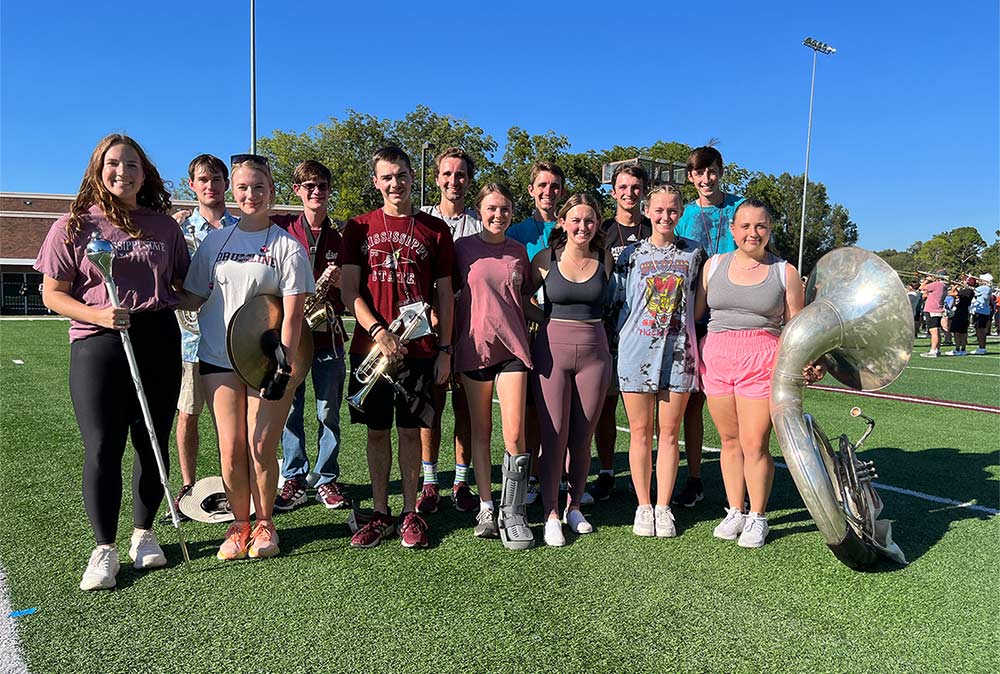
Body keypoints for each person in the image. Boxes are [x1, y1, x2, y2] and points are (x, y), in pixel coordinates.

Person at [35, 134, 190, 590]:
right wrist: (99, 314)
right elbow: (53, 294)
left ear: (146, 173)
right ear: (97, 169)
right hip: (98, 342)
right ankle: (103, 547)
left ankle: (144, 534)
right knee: (103, 445)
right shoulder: (74, 226)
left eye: (132, 165)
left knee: (152, 440)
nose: (122, 172)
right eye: (113, 164)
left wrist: (206, 294)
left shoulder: (164, 227)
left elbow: (181, 281)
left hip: (157, 335)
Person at [183, 156, 314, 561]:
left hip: (265, 364)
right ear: (232, 192)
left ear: (271, 192)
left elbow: (292, 314)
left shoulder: (287, 247)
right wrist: (146, 298)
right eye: (242, 188)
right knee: (232, 449)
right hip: (218, 359)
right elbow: (192, 295)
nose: (250, 195)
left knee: (261, 446)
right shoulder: (215, 242)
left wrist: (285, 366)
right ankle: (239, 525)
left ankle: (266, 523)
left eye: (258, 187)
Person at [340, 146, 455, 549]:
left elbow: (445, 296)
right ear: (376, 182)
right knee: (375, 433)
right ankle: (380, 512)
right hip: (371, 350)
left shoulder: (435, 230)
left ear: (412, 177)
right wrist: (377, 332)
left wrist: (445, 349)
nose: (395, 183)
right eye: (386, 177)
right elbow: (349, 290)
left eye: (401, 175)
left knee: (410, 433)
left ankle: (410, 512)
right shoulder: (358, 227)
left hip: (418, 350)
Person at [695, 198, 806, 548]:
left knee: (755, 444)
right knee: (728, 442)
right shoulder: (712, 266)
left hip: (762, 361)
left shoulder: (784, 271)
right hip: (717, 359)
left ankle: (758, 516)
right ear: (732, 230)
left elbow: (796, 327)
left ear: (769, 230)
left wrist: (806, 363)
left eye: (760, 226)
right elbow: (695, 314)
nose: (752, 233)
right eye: (745, 226)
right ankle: (735, 510)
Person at [611, 185, 703, 538]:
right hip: (636, 353)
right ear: (647, 211)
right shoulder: (630, 255)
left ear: (681, 212)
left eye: (673, 210)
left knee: (669, 434)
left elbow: (699, 304)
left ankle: (663, 507)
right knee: (639, 433)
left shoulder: (694, 253)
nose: (666, 216)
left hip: (678, 354)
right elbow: (617, 302)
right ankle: (643, 505)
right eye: (659, 210)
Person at [453, 183, 535, 549]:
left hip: (514, 351)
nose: (498, 215)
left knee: (515, 435)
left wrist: (562, 319)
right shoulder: (462, 250)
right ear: (479, 210)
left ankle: (513, 510)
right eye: (491, 208)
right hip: (473, 351)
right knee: (481, 432)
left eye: (504, 209)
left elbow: (527, 300)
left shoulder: (518, 251)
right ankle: (487, 507)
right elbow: (449, 296)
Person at [529, 193, 613, 546]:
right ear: (562, 222)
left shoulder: (605, 258)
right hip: (552, 354)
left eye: (590, 220)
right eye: (575, 220)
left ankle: (574, 506)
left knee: (582, 437)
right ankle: (550, 512)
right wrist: (546, 321)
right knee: (554, 435)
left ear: (597, 225)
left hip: (595, 354)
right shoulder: (545, 259)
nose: (583, 226)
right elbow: (521, 299)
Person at [270, 160, 350, 511]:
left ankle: (327, 478)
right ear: (297, 191)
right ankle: (294, 476)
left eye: (322, 186)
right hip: (290, 336)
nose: (316, 192)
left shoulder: (341, 237)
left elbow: (352, 293)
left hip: (327, 337)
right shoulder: (281, 229)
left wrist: (339, 282)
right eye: (309, 186)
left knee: (327, 411)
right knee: (290, 410)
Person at [672, 146, 744, 509]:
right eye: (699, 173)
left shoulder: (739, 207)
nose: (706, 179)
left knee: (737, 403)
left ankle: (743, 481)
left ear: (720, 171)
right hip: (692, 319)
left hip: (732, 319)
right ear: (691, 177)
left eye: (712, 171)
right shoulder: (682, 216)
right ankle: (695, 478)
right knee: (691, 404)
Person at [170, 154, 239, 511]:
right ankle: (188, 485)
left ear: (226, 183)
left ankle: (235, 485)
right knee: (189, 413)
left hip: (235, 341)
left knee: (232, 419)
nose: (210, 185)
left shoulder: (242, 228)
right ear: (192, 185)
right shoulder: (179, 231)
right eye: (203, 179)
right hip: (192, 340)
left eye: (216, 179)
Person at [416, 148, 481, 514]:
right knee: (431, 408)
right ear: (437, 178)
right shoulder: (421, 221)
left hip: (469, 330)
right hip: (429, 330)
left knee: (465, 409)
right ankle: (429, 482)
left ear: (468, 181)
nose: (453, 181)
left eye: (460, 175)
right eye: (447, 174)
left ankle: (460, 481)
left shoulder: (478, 224)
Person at [588, 164, 653, 503]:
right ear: (613, 192)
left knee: (643, 412)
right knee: (606, 406)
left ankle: (644, 473)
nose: (629, 193)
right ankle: (608, 472)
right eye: (623, 187)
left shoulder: (654, 228)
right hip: (609, 332)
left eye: (636, 187)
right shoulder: (602, 232)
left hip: (646, 335)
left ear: (644, 190)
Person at [507, 161, 566, 504]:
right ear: (531, 190)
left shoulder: (572, 226)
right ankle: (528, 476)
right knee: (528, 407)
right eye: (542, 186)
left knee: (559, 406)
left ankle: (557, 474)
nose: (548, 192)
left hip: (563, 329)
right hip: (527, 329)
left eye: (555, 186)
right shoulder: (517, 232)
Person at [919, 272, 947, 357]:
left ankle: (933, 350)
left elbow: (921, 287)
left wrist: (927, 280)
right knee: (936, 331)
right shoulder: (943, 285)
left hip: (932, 310)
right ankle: (937, 349)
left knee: (933, 331)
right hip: (937, 310)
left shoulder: (937, 284)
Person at [945, 280, 974, 356]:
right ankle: (963, 349)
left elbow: (950, 293)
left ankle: (957, 349)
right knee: (963, 332)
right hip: (965, 313)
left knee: (957, 332)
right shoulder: (971, 292)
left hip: (959, 313)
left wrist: (955, 286)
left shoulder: (966, 291)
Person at [971, 274, 993, 354]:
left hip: (981, 311)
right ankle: (981, 347)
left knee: (980, 330)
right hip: (983, 311)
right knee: (980, 330)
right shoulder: (986, 288)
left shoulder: (984, 288)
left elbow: (972, 290)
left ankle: (982, 348)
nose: (979, 280)